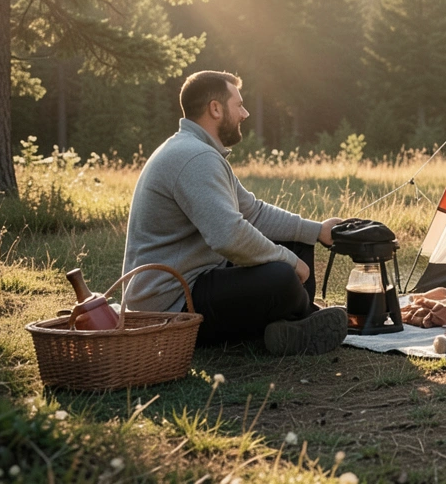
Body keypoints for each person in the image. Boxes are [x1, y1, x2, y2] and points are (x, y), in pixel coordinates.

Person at [122, 71, 348, 356]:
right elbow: (229, 237)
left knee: (298, 241)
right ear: (215, 109)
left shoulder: (198, 150)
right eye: (238, 104)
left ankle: (290, 324)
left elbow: (253, 213)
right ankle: (298, 320)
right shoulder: (195, 158)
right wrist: (288, 261)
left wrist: (316, 230)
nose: (245, 113)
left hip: (197, 282)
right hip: (171, 306)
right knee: (281, 275)